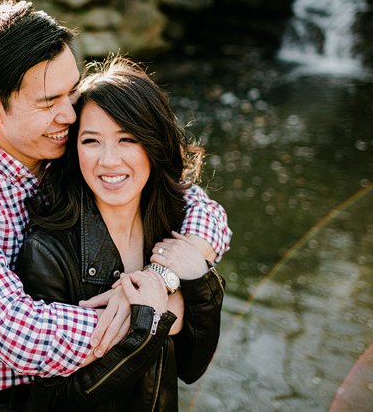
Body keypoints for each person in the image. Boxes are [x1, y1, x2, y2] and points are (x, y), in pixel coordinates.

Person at [0, 0, 231, 412]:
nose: (69, 113)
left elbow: (202, 211)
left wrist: (162, 276)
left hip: (90, 386)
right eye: (48, 102)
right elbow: (19, 334)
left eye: (73, 90)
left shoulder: (71, 138)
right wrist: (148, 318)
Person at [15, 56, 225, 411]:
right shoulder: (47, 252)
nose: (109, 160)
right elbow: (53, 400)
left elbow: (191, 367)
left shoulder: (175, 229)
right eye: (91, 141)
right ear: (73, 149)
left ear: (153, 144)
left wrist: (198, 281)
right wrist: (145, 327)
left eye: (127, 139)